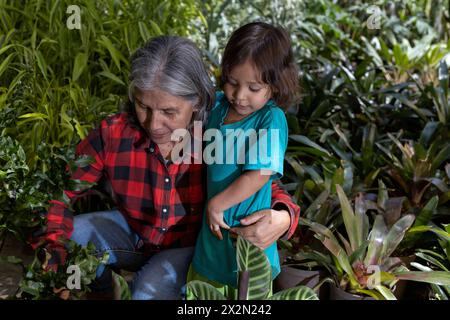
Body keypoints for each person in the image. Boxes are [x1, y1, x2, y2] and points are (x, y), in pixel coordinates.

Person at [31, 35, 300, 300]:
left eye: (169, 112)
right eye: (143, 106)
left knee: (145, 293)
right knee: (71, 235)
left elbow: (259, 183)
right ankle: (102, 289)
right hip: (134, 232)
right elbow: (60, 190)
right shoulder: (114, 133)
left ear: (196, 102)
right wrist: (54, 254)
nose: (153, 124)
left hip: (188, 248)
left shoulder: (216, 128)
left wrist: (283, 217)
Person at [189, 22, 299, 298]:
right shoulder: (216, 106)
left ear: (275, 86)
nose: (239, 96)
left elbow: (259, 174)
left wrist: (218, 203)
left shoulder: (270, 119)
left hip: (249, 244)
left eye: (253, 87)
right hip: (211, 244)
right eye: (233, 83)